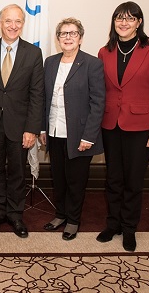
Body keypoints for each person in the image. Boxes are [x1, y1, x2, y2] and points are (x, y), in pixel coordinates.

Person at [96, 1, 149, 252]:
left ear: (139, 22)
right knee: (113, 179)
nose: (123, 22)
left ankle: (129, 228)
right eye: (119, 18)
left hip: (140, 126)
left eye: (129, 18)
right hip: (110, 124)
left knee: (133, 180)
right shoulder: (105, 52)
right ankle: (113, 223)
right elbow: (101, 91)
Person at [39, 18, 105, 241]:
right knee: (58, 178)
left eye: (73, 33)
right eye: (63, 33)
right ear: (57, 39)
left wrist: (90, 135)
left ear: (80, 38)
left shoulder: (92, 64)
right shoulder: (50, 62)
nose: (68, 37)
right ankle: (60, 215)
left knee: (76, 181)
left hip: (79, 135)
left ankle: (73, 220)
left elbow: (98, 102)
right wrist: (42, 129)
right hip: (54, 131)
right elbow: (43, 98)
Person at [0, 4, 43, 239]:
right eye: (8, 21)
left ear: (23, 24)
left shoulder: (33, 53)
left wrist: (32, 128)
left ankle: (16, 214)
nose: (13, 25)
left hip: (20, 126)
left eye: (18, 21)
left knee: (18, 171)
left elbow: (37, 94)